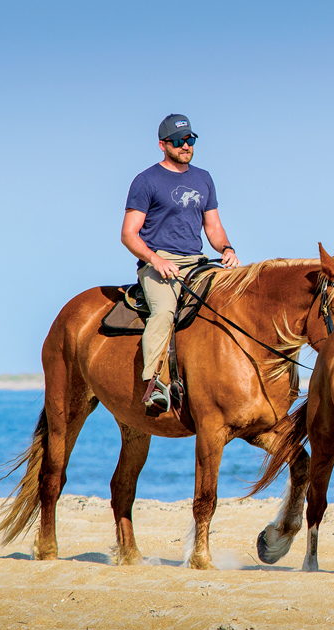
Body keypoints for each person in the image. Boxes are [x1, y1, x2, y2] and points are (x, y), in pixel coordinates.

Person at [120, 114, 240, 410]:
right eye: (178, 141)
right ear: (163, 145)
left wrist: (226, 248)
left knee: (232, 302)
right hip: (159, 262)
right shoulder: (146, 180)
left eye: (190, 140)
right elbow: (128, 234)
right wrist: (154, 259)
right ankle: (154, 384)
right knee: (164, 312)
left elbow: (212, 226)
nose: (185, 146)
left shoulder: (203, 178)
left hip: (198, 261)